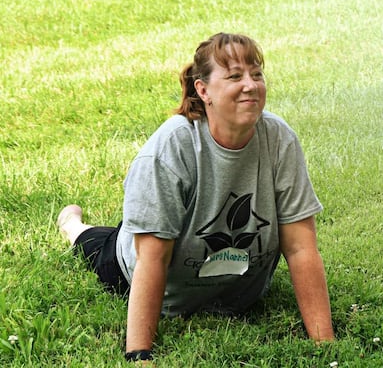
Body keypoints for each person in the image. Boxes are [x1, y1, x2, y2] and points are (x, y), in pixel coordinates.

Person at [57, 33, 334, 363]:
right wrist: (139, 354)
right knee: (97, 244)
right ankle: (72, 224)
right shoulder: (171, 149)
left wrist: (325, 344)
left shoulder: (279, 140)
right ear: (203, 91)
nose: (251, 85)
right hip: (140, 263)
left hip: (230, 284)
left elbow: (301, 247)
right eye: (234, 76)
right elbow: (152, 259)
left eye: (256, 74)